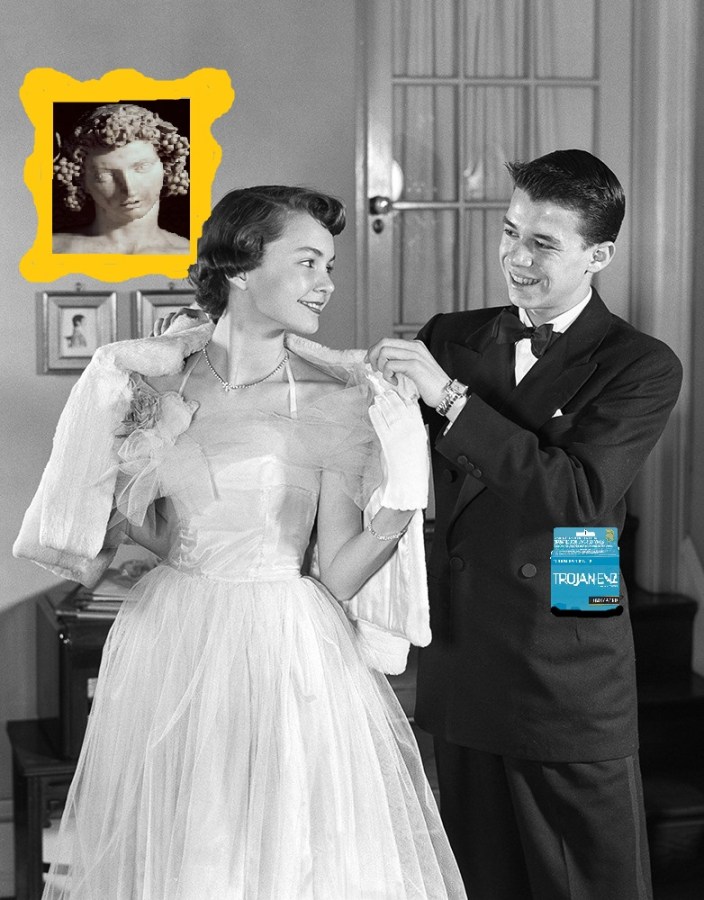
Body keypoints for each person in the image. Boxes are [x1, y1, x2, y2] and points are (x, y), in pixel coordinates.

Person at [15, 185, 466, 899]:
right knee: (188, 845)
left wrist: (403, 500)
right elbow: (161, 533)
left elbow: (340, 575)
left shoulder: (336, 396)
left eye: (329, 266)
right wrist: (120, 479)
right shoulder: (156, 380)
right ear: (241, 266)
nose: (327, 283)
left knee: (284, 850)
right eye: (308, 262)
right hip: (171, 633)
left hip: (283, 641)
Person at [367, 149, 683, 900]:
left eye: (543, 243)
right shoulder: (451, 337)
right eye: (511, 232)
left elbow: (576, 494)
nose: (516, 258)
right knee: (481, 879)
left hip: (565, 662)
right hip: (464, 647)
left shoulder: (642, 363)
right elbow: (368, 444)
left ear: (598, 256)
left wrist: (451, 400)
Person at [52, 103, 190, 255]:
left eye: (142, 167)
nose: (129, 189)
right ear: (81, 181)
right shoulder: (54, 250)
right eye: (104, 175)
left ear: (166, 166)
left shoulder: (193, 256)